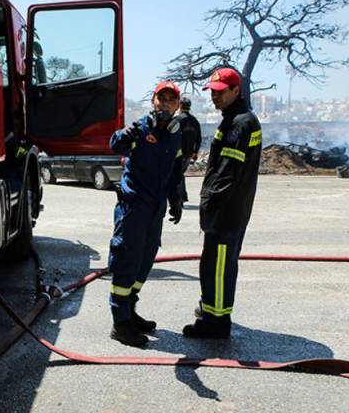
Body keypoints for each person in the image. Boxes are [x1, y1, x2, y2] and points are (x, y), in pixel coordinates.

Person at [183, 67, 262, 339]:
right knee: (218, 264)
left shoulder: (238, 124)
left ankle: (215, 323)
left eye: (219, 93)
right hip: (234, 209)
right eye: (212, 92)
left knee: (217, 267)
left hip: (226, 210)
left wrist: (210, 207)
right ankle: (212, 308)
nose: (214, 97)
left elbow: (225, 173)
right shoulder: (238, 118)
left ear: (235, 91)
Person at [107, 80, 184, 347]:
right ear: (153, 101)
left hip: (156, 209)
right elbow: (115, 144)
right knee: (127, 260)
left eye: (170, 99)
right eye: (160, 98)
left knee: (145, 260)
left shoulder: (176, 133)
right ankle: (120, 323)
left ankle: (131, 310)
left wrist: (176, 198)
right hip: (134, 206)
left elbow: (176, 169)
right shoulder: (141, 126)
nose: (164, 103)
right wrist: (129, 132)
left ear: (177, 105)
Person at [176, 97, 202, 202]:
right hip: (188, 154)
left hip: (177, 154)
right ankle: (182, 196)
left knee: (177, 174)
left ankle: (180, 197)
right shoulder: (194, 121)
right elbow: (198, 138)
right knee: (180, 174)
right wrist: (195, 152)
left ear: (180, 106)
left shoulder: (177, 120)